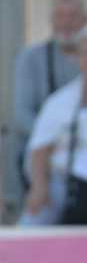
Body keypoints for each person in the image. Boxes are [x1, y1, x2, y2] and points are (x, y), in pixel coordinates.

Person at [12, 0, 84, 187]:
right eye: (60, 16)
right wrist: (58, 141)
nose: (66, 23)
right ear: (52, 21)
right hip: (46, 157)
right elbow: (22, 114)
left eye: (73, 16)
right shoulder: (32, 58)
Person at [22, 23, 87, 226]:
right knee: (34, 221)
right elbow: (40, 150)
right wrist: (39, 187)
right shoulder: (61, 102)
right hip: (67, 185)